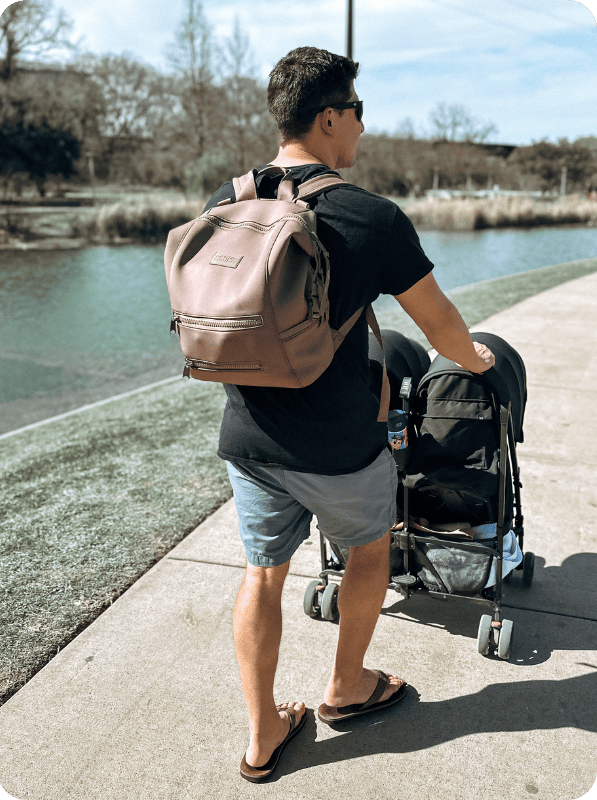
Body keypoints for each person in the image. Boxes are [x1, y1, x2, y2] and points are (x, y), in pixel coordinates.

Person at [203, 46, 495, 782]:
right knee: (369, 551)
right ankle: (347, 687)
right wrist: (480, 361)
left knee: (262, 574)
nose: (362, 126)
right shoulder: (370, 216)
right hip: (335, 444)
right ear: (329, 116)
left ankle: (262, 735)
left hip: (247, 436)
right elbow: (441, 329)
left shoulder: (225, 202)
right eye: (357, 112)